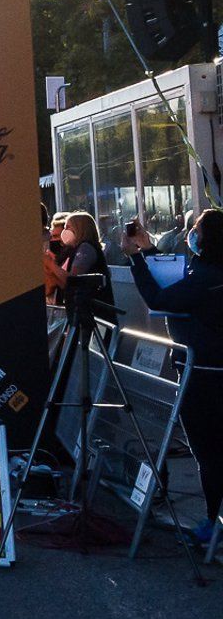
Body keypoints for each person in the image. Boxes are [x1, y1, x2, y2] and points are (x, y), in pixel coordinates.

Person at [121, 211, 223, 548]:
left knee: (209, 452)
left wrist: (136, 260)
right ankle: (214, 519)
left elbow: (162, 298)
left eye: (195, 229)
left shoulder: (207, 276)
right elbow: (173, 285)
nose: (189, 233)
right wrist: (148, 252)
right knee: (208, 451)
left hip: (205, 378)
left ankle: (214, 522)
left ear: (207, 239)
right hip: (201, 373)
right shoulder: (203, 272)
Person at [59, 212, 115, 310]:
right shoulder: (72, 250)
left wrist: (50, 264)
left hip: (92, 312)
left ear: (79, 229)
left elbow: (73, 279)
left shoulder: (86, 248)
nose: (64, 231)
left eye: (68, 227)